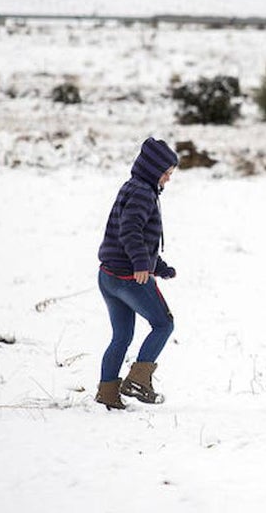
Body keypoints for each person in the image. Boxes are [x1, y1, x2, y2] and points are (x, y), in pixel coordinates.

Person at [94, 137, 180, 410]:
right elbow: (130, 230)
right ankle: (138, 382)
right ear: (153, 170)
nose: (167, 179)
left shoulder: (132, 187)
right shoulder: (144, 193)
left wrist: (158, 265)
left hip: (108, 276)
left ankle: (107, 392)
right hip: (130, 279)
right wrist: (142, 265)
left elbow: (136, 235)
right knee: (164, 324)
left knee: (121, 337)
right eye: (166, 173)